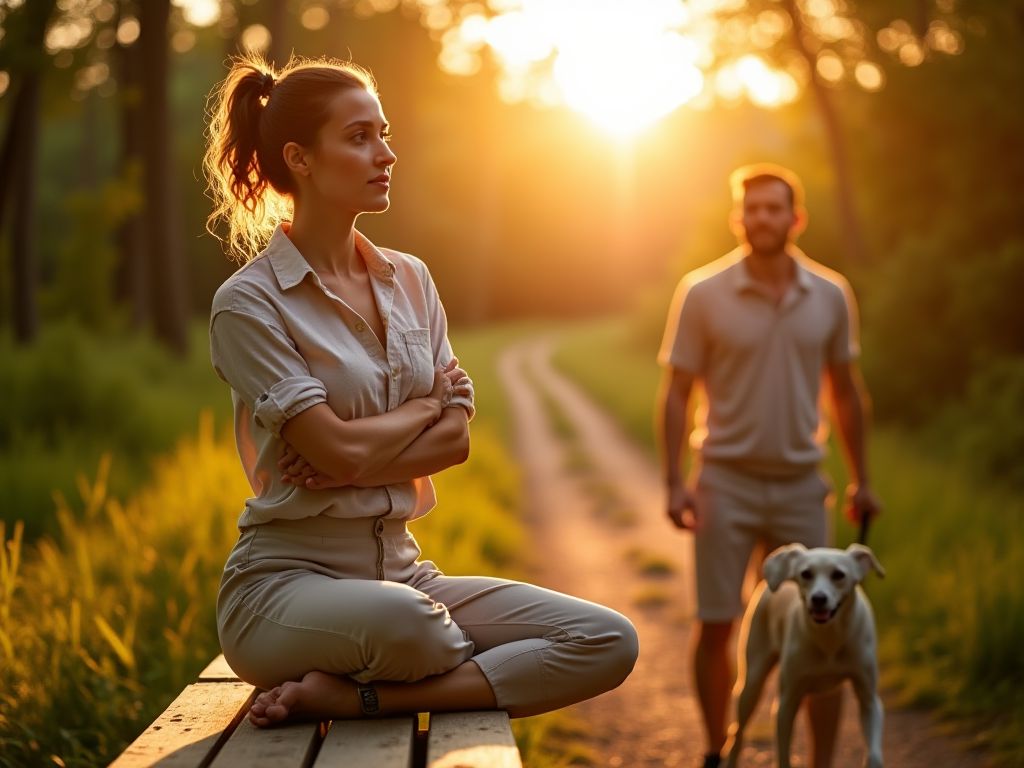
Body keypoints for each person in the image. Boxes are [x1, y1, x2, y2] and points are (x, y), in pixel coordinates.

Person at [202, 54, 638, 727]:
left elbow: (453, 444)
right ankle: (425, 674)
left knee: (608, 640)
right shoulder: (248, 304)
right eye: (359, 137)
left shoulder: (411, 279)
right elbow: (366, 446)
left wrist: (359, 448)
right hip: (283, 589)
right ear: (301, 159)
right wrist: (426, 407)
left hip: (405, 576)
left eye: (384, 132)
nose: (386, 153)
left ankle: (358, 697)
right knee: (415, 629)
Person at [657, 164, 881, 768]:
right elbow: (677, 390)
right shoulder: (702, 292)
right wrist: (675, 481)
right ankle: (715, 750)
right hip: (723, 482)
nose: (761, 218)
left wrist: (863, 477)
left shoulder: (831, 294)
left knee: (823, 632)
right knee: (718, 623)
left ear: (795, 217)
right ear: (738, 218)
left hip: (802, 486)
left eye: (773, 208)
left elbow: (846, 389)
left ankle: (821, 763)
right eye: (750, 209)